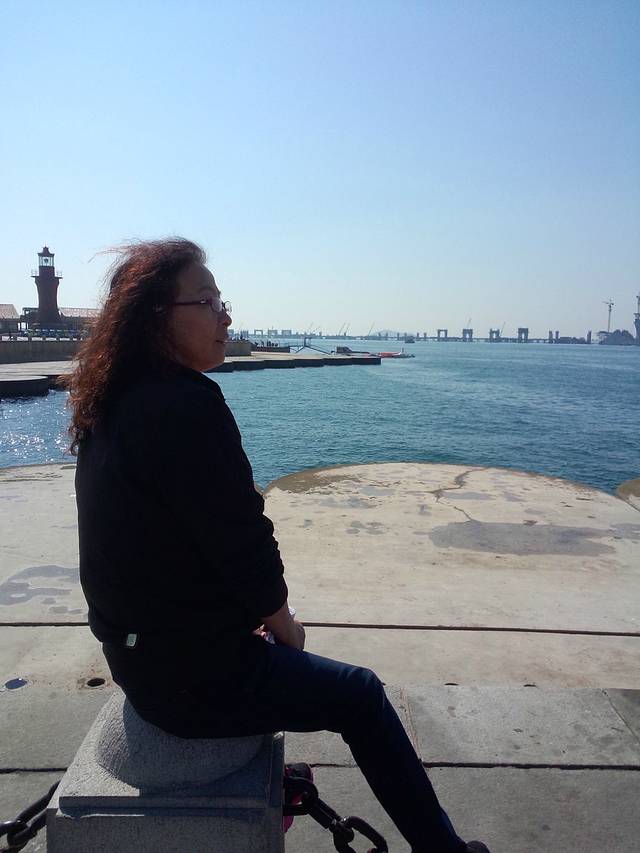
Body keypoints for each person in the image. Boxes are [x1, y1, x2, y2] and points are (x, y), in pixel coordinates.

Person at [68, 238, 490, 853]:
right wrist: (282, 622)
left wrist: (235, 620)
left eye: (222, 301)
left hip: (139, 656)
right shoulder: (187, 406)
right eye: (207, 302)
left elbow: (167, 546)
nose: (225, 317)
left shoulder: (114, 399)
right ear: (157, 317)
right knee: (361, 696)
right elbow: (243, 540)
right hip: (187, 679)